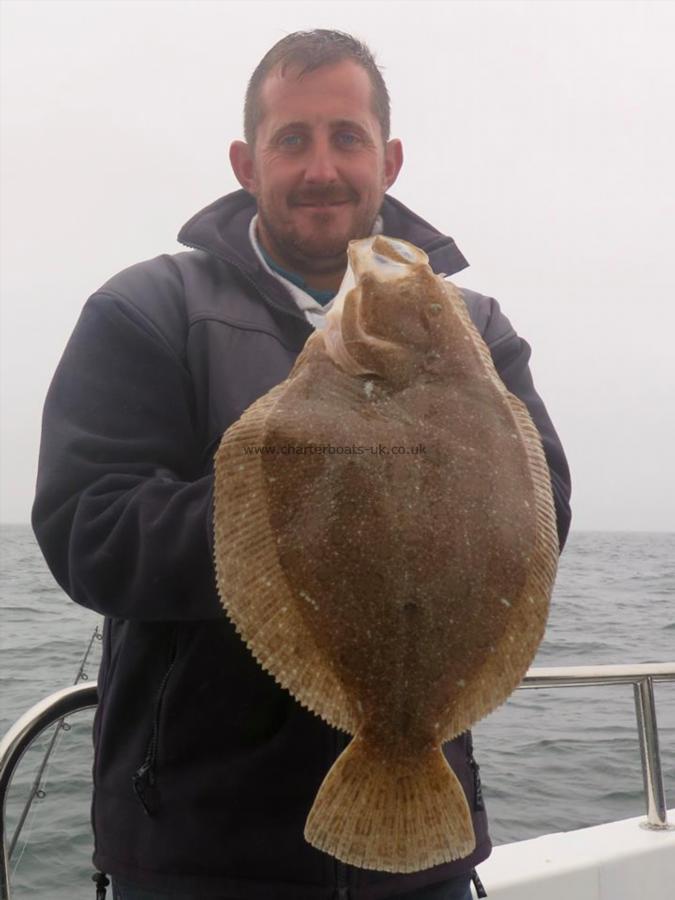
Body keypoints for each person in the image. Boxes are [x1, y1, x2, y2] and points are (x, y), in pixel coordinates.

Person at [32, 29, 571, 900]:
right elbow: (89, 529)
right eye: (292, 140)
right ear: (247, 162)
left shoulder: (474, 327)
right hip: (200, 854)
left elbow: (544, 513)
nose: (321, 168)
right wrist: (289, 505)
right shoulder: (148, 309)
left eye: (346, 137)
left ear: (388, 159)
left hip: (426, 867)